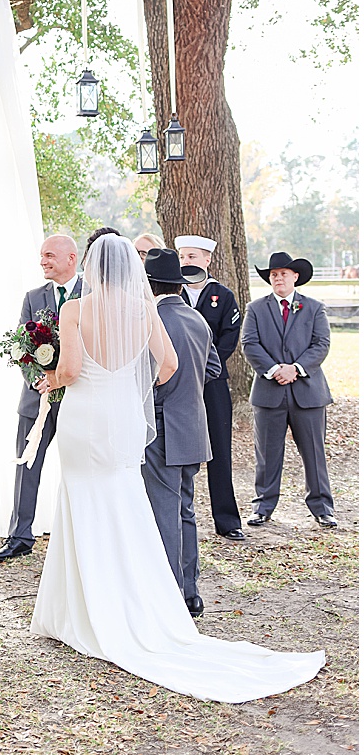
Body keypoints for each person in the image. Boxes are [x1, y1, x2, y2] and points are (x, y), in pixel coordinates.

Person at [30, 234, 325, 701]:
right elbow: (166, 367)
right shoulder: (143, 309)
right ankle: (140, 606)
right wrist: (125, 385)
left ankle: (80, 611)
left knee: (81, 502)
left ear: (91, 266)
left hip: (85, 419)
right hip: (124, 421)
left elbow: (67, 371)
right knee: (127, 508)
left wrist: (48, 379)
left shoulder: (76, 310)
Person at [0, 235, 82, 562]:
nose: (43, 261)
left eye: (50, 256)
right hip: (36, 400)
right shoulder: (33, 297)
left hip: (79, 401)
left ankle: (80, 535)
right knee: (27, 466)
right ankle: (19, 536)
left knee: (81, 468)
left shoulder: (92, 296)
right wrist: (41, 381)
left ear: (72, 258)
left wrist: (65, 380)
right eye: (42, 256)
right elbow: (20, 348)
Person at [143, 248, 220, 617]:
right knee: (185, 510)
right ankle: (191, 592)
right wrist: (188, 390)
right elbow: (214, 369)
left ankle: (171, 594)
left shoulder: (150, 321)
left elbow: (144, 375)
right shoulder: (197, 319)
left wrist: (162, 396)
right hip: (193, 425)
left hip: (161, 425)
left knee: (164, 512)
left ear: (150, 284)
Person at [241, 251, 336, 528]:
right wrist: (274, 370)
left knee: (314, 453)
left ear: (295, 277)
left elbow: (321, 344)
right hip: (269, 392)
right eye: (273, 274)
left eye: (283, 273)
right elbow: (250, 343)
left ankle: (322, 507)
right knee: (267, 453)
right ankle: (263, 506)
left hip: (308, 391)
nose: (278, 277)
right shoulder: (256, 308)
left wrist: (295, 368)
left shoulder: (314, 308)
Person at [175, 234, 245, 541]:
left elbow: (228, 337)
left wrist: (203, 365)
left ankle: (227, 521)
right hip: (176, 381)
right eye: (182, 257)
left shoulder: (222, 295)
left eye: (192, 256)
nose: (186, 262)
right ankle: (174, 516)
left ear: (207, 260)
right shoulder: (172, 292)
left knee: (220, 449)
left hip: (213, 381)